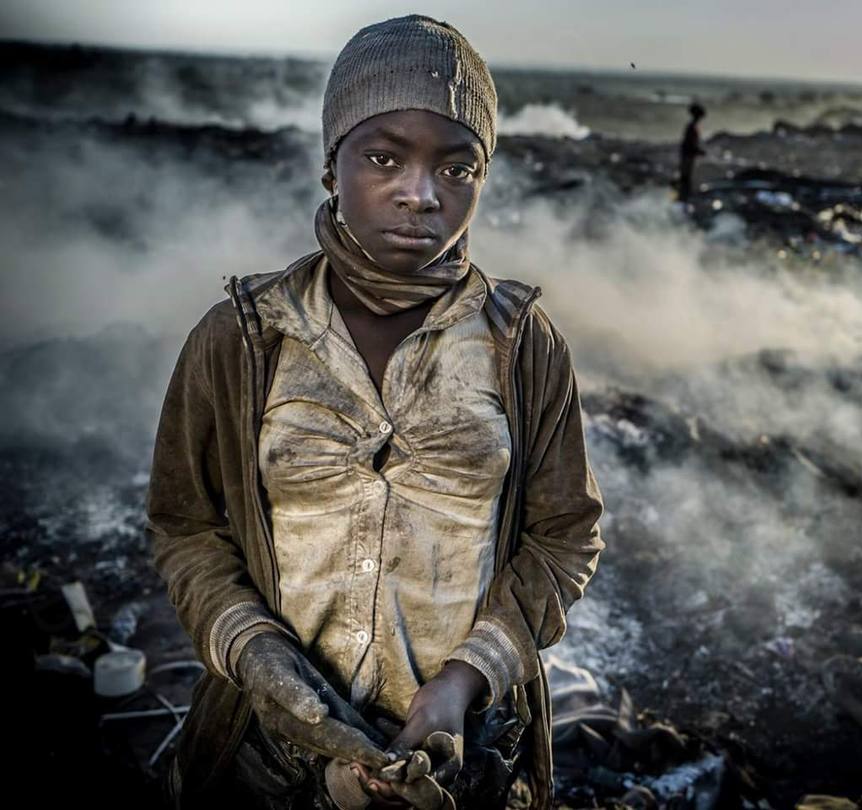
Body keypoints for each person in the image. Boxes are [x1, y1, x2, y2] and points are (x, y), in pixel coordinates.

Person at [146, 15, 606, 810]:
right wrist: (257, 656)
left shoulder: (521, 347)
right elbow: (186, 526)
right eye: (384, 157)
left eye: (457, 168)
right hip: (265, 751)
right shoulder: (245, 338)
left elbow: (563, 539)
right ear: (333, 165)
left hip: (462, 757)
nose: (420, 194)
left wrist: (463, 683)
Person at [676, 102, 707, 203]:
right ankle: (683, 198)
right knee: (685, 178)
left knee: (685, 177)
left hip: (688, 156)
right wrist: (698, 151)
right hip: (687, 156)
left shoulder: (691, 127)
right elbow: (689, 144)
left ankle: (683, 197)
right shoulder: (691, 128)